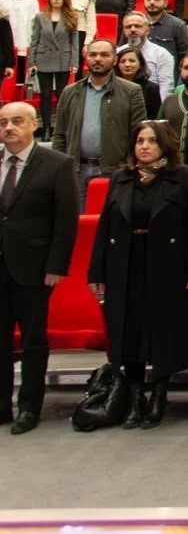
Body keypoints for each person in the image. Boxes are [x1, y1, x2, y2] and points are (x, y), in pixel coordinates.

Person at [85, 119, 188, 430]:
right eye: (139, 141)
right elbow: (105, 227)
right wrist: (97, 270)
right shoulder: (120, 178)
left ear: (165, 145)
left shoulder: (185, 178)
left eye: (151, 141)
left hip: (168, 264)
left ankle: (159, 392)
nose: (144, 147)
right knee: (129, 329)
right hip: (125, 262)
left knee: (163, 329)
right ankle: (135, 395)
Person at [0, 102, 77, 435]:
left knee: (33, 340)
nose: (9, 128)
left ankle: (30, 406)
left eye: (17, 121)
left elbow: (65, 221)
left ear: (34, 125)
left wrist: (56, 265)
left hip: (33, 267)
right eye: (3, 122)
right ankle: (2, 406)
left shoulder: (56, 164)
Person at [51, 38, 147, 204]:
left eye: (104, 55)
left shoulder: (131, 91)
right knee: (78, 223)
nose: (97, 59)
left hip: (114, 171)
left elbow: (139, 133)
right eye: (93, 54)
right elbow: (59, 135)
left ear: (115, 59)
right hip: (76, 170)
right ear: (86, 58)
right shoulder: (70, 92)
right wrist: (60, 168)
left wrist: (130, 167)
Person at [29, 0, 76, 139]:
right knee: (45, 95)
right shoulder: (40, 17)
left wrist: (74, 62)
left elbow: (74, 43)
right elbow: (34, 41)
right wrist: (32, 62)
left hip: (64, 57)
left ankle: (60, 128)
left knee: (62, 95)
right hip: (44, 58)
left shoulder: (71, 16)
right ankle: (47, 128)